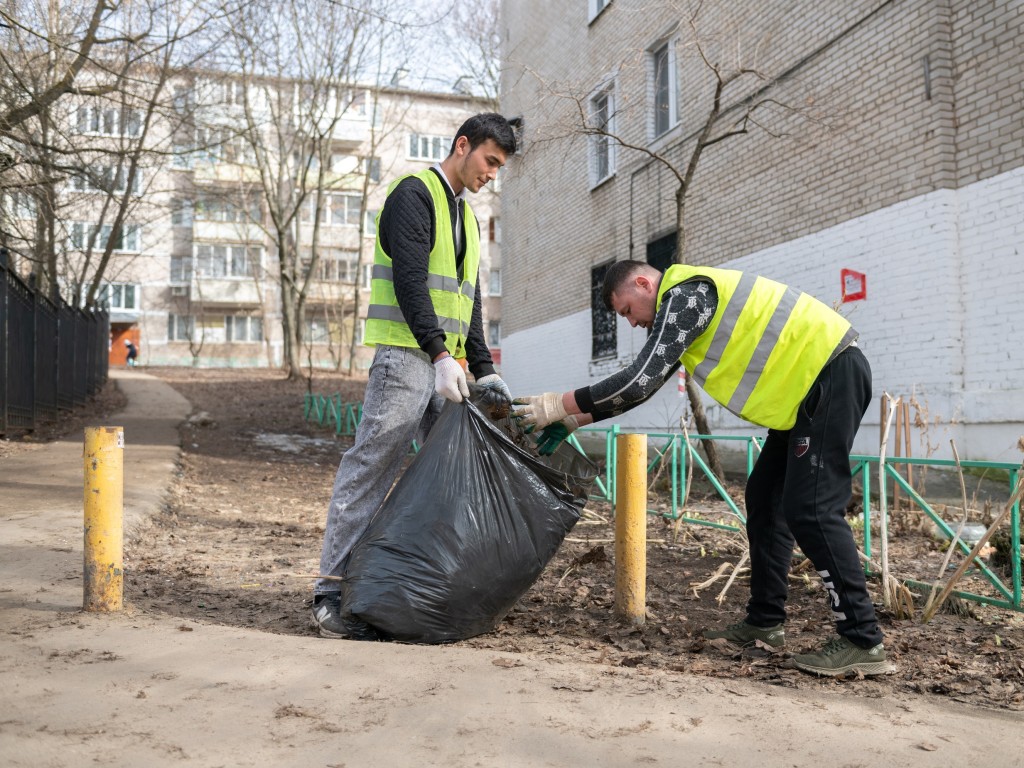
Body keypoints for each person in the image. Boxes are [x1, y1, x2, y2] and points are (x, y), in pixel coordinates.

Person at [513, 259, 893, 677]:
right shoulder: (682, 310)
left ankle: (862, 638)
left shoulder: (688, 296)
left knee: (812, 509)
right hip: (803, 393)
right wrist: (574, 420)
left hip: (828, 375)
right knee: (764, 500)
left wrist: (558, 404)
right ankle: (765, 623)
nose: (632, 323)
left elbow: (638, 379)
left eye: (627, 310)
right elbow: (647, 385)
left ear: (643, 283)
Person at [312, 113, 517, 640]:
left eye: (499, 167)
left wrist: (485, 367)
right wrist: (437, 354)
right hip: (407, 358)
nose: (492, 174)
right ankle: (331, 592)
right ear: (462, 145)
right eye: (489, 161)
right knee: (373, 465)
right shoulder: (414, 194)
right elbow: (409, 279)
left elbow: (467, 299)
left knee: (446, 480)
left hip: (446, 367)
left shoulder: (467, 219)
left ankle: (411, 593)